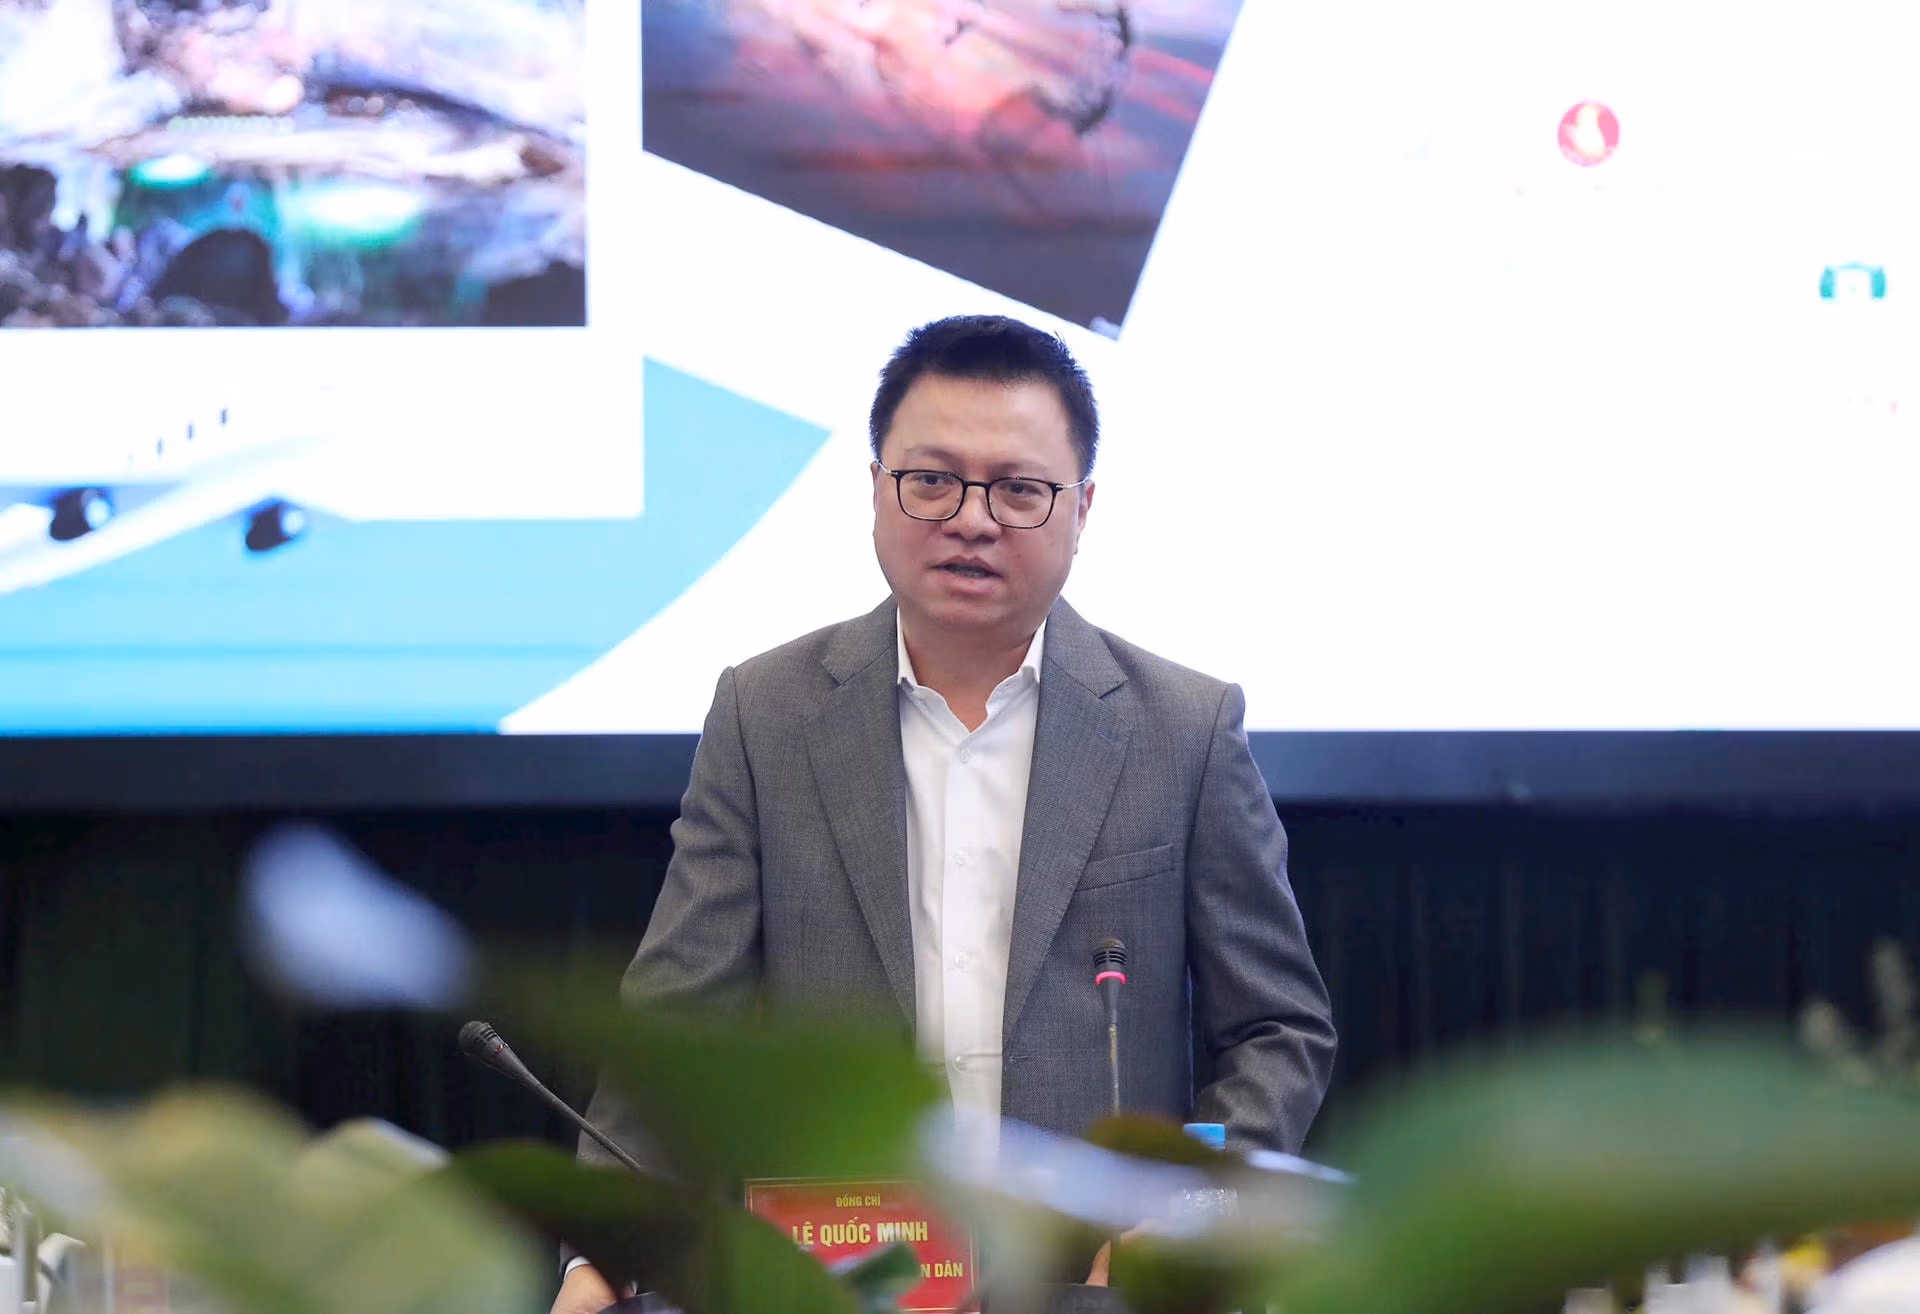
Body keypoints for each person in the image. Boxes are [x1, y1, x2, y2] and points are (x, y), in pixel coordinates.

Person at [553, 314, 1335, 1314]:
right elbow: (675, 1028)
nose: (972, 519)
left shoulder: (1182, 727)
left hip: (1091, 1284)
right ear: (876, 488)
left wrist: (1185, 1214)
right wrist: (601, 1256)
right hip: (846, 1279)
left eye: (1019, 489)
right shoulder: (768, 714)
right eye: (932, 480)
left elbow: (1276, 1028)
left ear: (1082, 509)